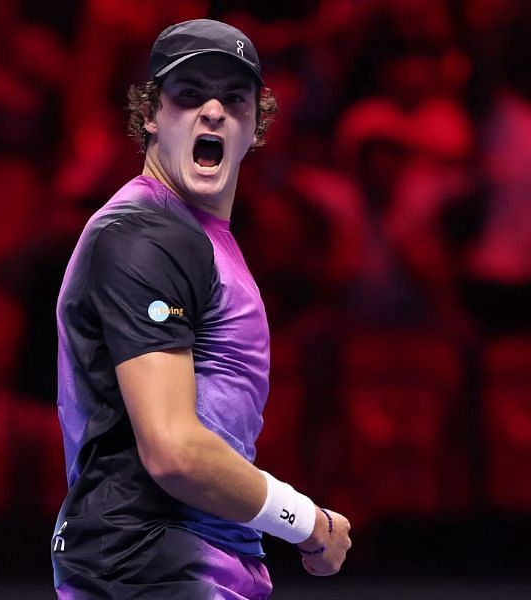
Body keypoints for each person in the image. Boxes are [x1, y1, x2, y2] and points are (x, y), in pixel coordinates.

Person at [51, 19, 352, 599]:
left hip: (190, 558)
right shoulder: (144, 234)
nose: (212, 110)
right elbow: (173, 450)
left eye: (232, 98)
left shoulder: (198, 236)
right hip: (149, 561)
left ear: (256, 125)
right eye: (189, 95)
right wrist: (308, 523)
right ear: (149, 115)